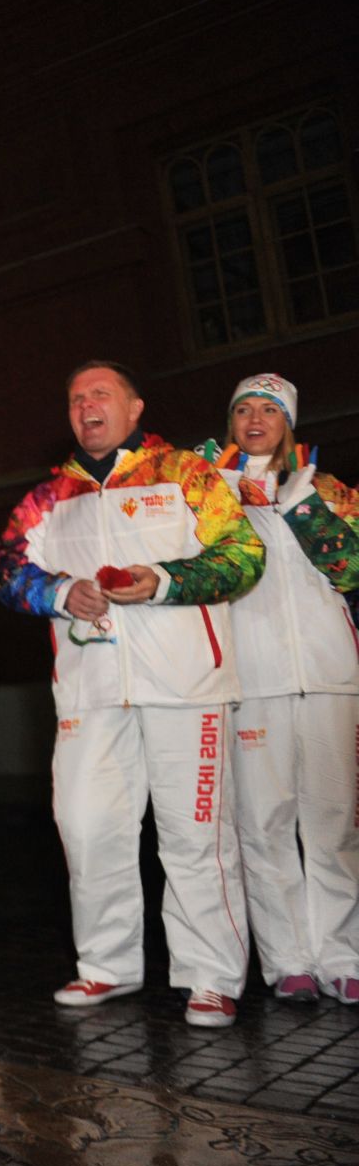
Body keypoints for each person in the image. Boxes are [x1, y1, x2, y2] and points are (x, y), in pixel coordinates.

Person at [0, 361, 263, 1026]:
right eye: (76, 396)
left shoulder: (184, 476)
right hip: (92, 690)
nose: (86, 406)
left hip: (185, 684)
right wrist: (60, 592)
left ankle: (210, 975)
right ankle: (106, 966)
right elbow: (4, 568)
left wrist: (162, 580)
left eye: (100, 394)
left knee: (195, 835)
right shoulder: (51, 496)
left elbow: (243, 554)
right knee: (87, 828)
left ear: (135, 408)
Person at [207, 374, 359, 1004]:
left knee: (335, 822)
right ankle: (288, 960)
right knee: (264, 824)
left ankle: (344, 956)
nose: (254, 418)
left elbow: (351, 567)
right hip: (252, 678)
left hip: (328, 675)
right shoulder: (210, 492)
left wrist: (302, 508)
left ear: (288, 420)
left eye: (269, 409)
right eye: (243, 408)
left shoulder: (328, 488)